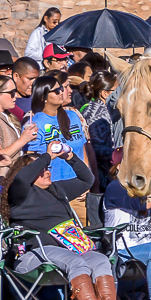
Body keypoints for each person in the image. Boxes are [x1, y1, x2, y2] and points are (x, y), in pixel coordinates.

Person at [1, 149, 128, 300]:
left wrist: (69, 156)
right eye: (40, 169)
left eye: (48, 167)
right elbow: (22, 178)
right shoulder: (20, 193)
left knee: (100, 259)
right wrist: (47, 156)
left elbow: (87, 180)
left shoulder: (57, 189)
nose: (46, 171)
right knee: (76, 261)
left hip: (69, 250)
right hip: (34, 254)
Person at [24, 74, 93, 224]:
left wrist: (86, 182)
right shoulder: (34, 123)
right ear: (43, 97)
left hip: (78, 187)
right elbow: (31, 160)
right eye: (56, 91)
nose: (62, 92)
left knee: (85, 237)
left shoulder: (73, 116)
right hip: (53, 190)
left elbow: (82, 151)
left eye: (61, 88)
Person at [80, 70, 118, 180]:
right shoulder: (95, 114)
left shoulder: (108, 109)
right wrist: (122, 153)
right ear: (105, 93)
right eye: (117, 90)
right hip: (102, 176)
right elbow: (96, 148)